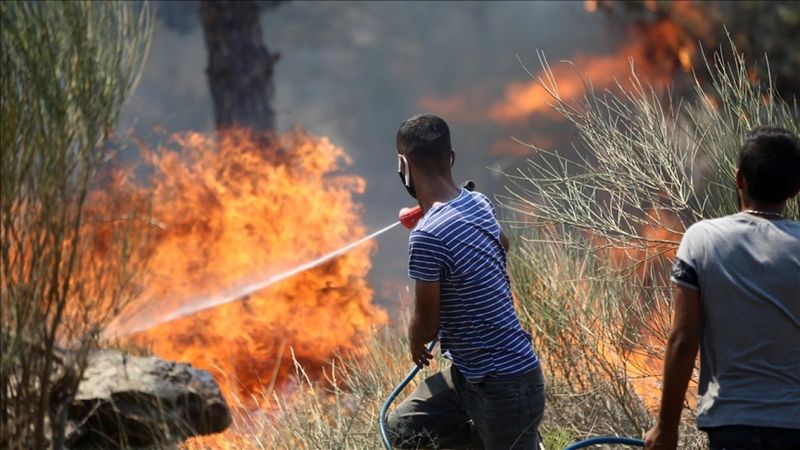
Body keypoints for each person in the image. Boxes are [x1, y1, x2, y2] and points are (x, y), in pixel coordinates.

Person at [386, 114, 545, 450]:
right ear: (452, 157)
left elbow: (427, 327)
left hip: (506, 386)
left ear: (403, 165)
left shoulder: (428, 236)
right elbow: (503, 243)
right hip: (472, 377)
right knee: (405, 427)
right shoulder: (477, 202)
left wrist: (415, 340)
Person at [645, 126, 800, 450]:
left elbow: (684, 341)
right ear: (796, 189)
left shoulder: (702, 239)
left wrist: (666, 429)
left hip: (731, 425)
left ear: (739, 179)